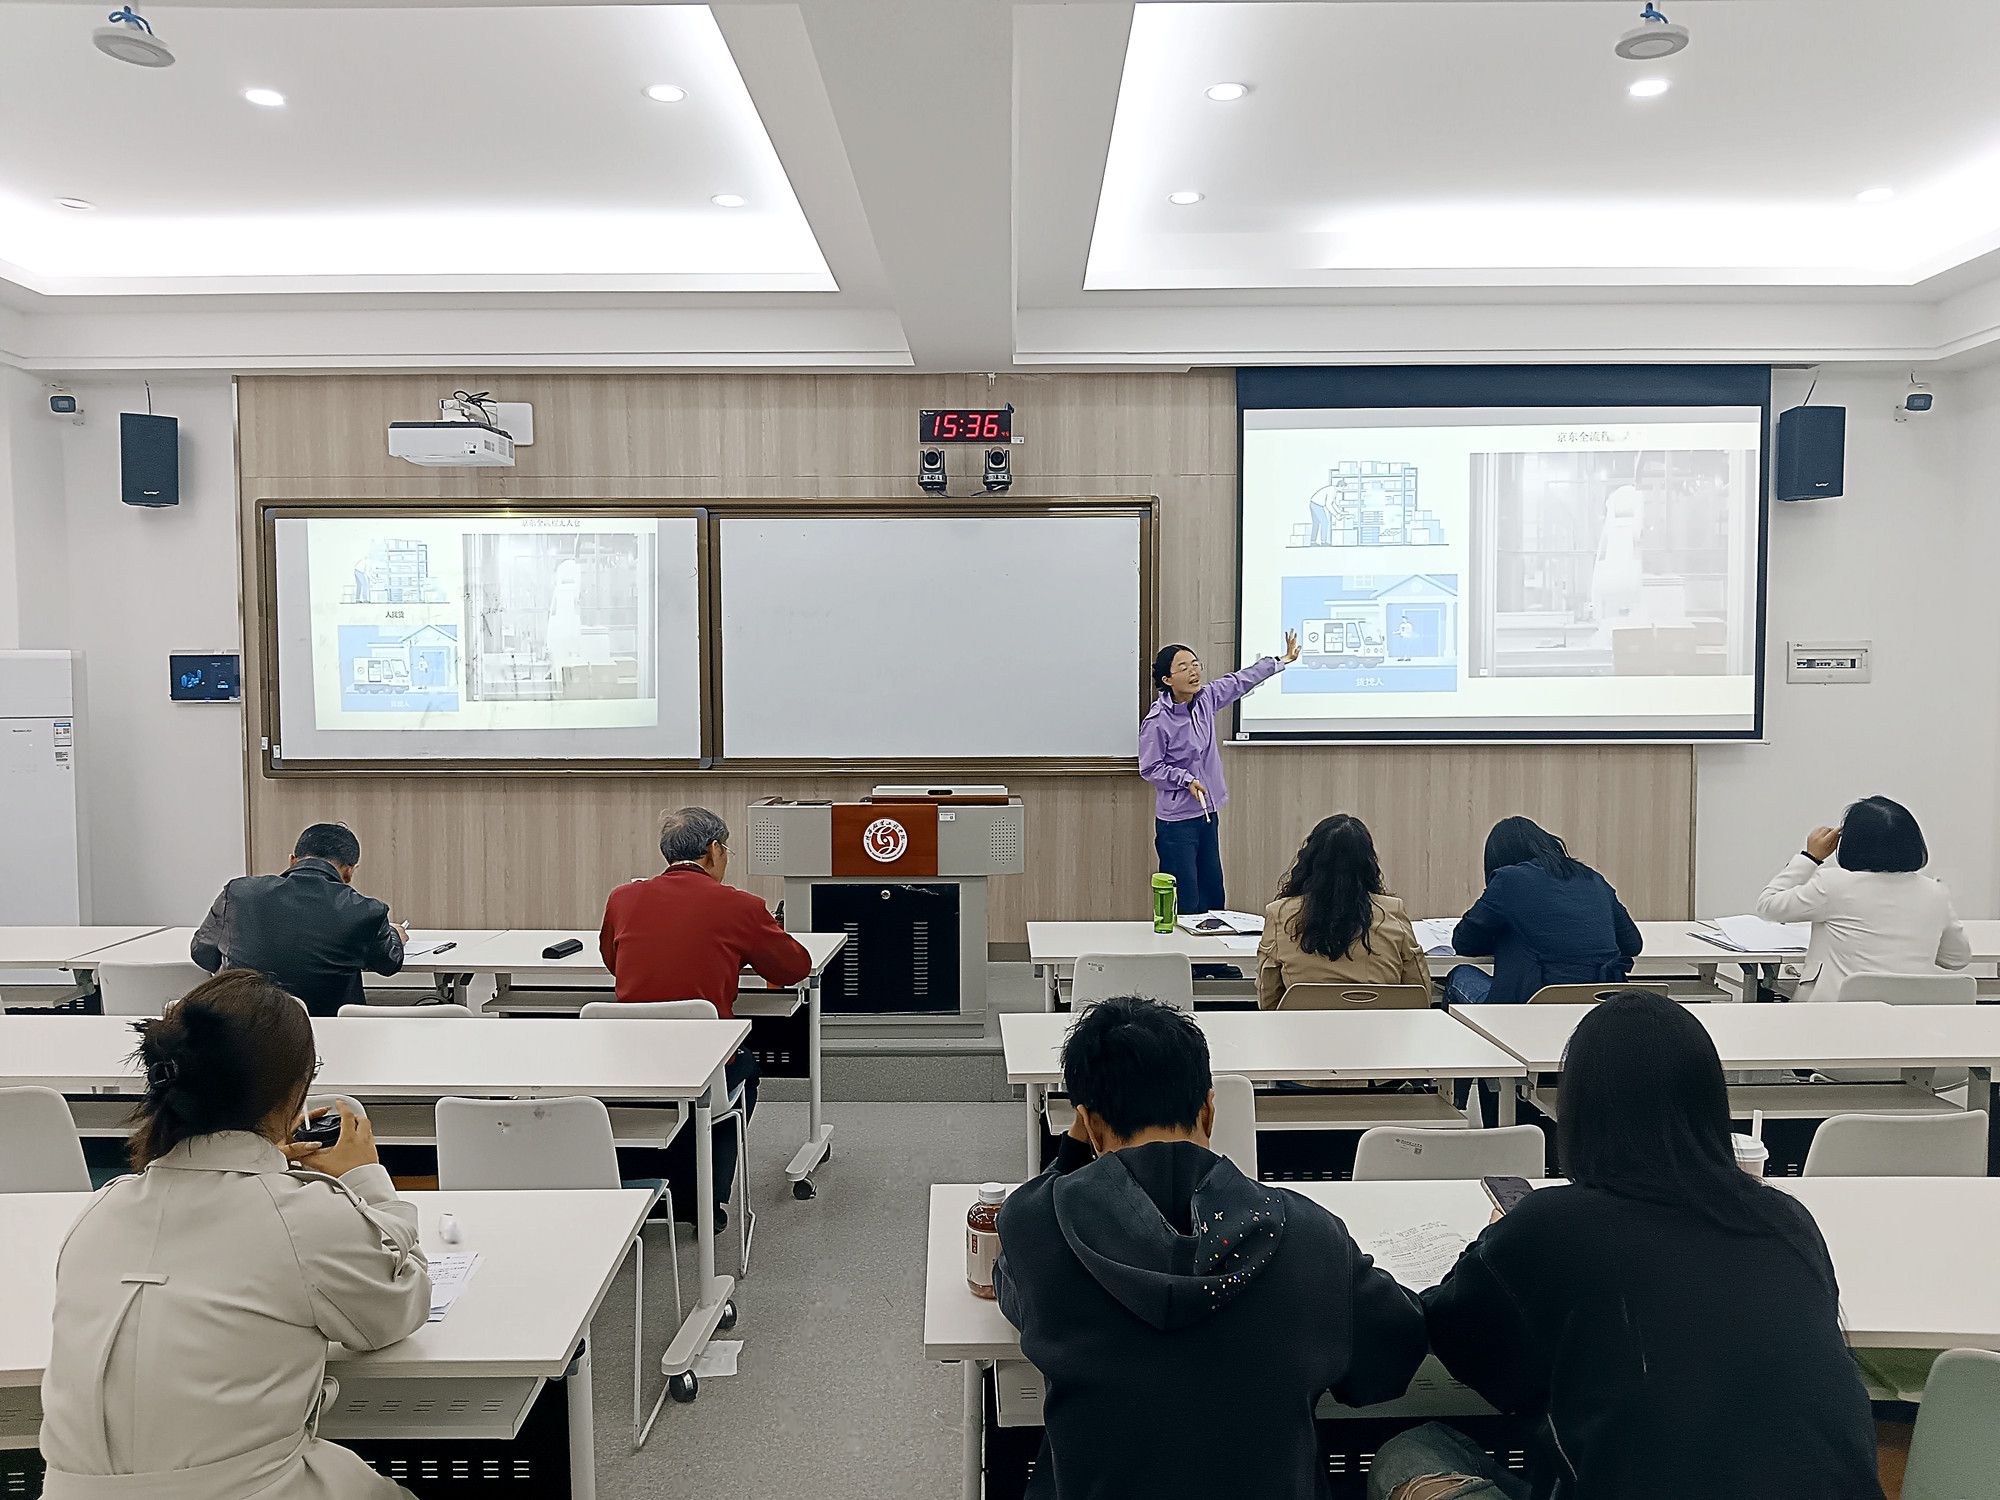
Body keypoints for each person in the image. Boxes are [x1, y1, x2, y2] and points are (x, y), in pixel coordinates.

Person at [1383, 992, 1885, 1500]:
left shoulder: (1552, 1224)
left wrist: (1495, 1240)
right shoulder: (1787, 1220)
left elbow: (1450, 1333)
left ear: (1580, 1109)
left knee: (1409, 1453)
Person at [994, 996, 1427, 1500]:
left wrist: (1070, 1157)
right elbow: (1389, 1360)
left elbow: (1009, 1284)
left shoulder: (1036, 1227)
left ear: (1089, 1125)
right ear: (1208, 1109)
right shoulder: (1311, 1234)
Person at [39, 970, 431, 1500]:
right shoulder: (303, 1218)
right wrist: (369, 1183)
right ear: (294, 1093)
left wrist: (266, 1169)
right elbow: (398, 1307)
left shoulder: (101, 1210)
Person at [599, 806, 810, 1224]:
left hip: (630, 1063)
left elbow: (613, 960)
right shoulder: (739, 905)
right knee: (742, 1067)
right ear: (714, 850)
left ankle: (635, 1189)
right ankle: (703, 1200)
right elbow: (793, 968)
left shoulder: (622, 898)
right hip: (704, 1063)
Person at [1140, 635, 1300, 917]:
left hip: (1207, 813)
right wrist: (1185, 780)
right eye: (1183, 668)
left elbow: (1240, 680)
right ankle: (1184, 947)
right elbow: (1150, 768)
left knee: (1213, 892)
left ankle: (1213, 947)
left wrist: (1280, 661)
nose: (1194, 672)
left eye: (1195, 664)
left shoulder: (1206, 699)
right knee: (1186, 898)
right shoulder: (1158, 720)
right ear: (1167, 679)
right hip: (1176, 822)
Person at [1754, 796, 1970, 1003]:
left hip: (1835, 1017)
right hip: (1911, 1019)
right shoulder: (1935, 892)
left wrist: (1810, 857)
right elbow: (1957, 959)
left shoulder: (1833, 885)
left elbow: (1768, 905)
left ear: (1851, 843)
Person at [191, 823, 407, 1017]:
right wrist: (395, 935)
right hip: (330, 1032)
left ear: (292, 860)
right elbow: (388, 964)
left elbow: (202, 954)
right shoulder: (367, 911)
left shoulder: (238, 892)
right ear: (349, 871)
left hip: (245, 1029)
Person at [1442, 816, 1641, 1006]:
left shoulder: (1508, 880)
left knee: (1460, 975)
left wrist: (1503, 939)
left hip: (1532, 1005)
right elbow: (1632, 944)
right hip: (1600, 1007)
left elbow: (1463, 942)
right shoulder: (1594, 879)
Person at [1256, 813, 1429, 1009]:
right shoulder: (1393, 911)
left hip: (1303, 1027)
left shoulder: (1280, 914)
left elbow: (1267, 997)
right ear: (1368, 863)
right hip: (1381, 1026)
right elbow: (1419, 992)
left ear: (1309, 859)